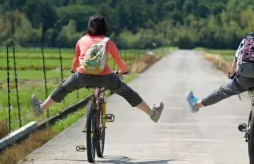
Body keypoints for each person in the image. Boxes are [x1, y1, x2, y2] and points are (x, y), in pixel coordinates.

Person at [30, 15, 164, 122]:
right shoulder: (108, 42)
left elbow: (75, 61)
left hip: (82, 77)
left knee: (63, 89)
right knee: (128, 93)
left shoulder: (81, 40)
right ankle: (152, 114)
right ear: (105, 28)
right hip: (106, 78)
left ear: (89, 27)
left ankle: (40, 108)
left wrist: (73, 71)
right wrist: (122, 71)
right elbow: (119, 62)